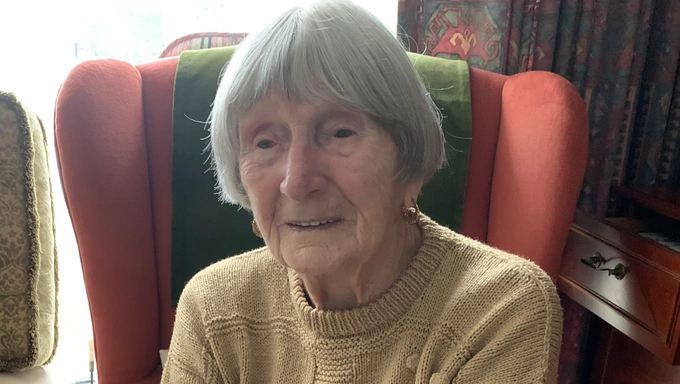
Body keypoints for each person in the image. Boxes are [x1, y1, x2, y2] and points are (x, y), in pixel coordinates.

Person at [161, 0, 562, 383]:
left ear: (406, 156)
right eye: (266, 142)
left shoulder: (500, 309)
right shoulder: (214, 309)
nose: (297, 182)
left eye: (340, 132)